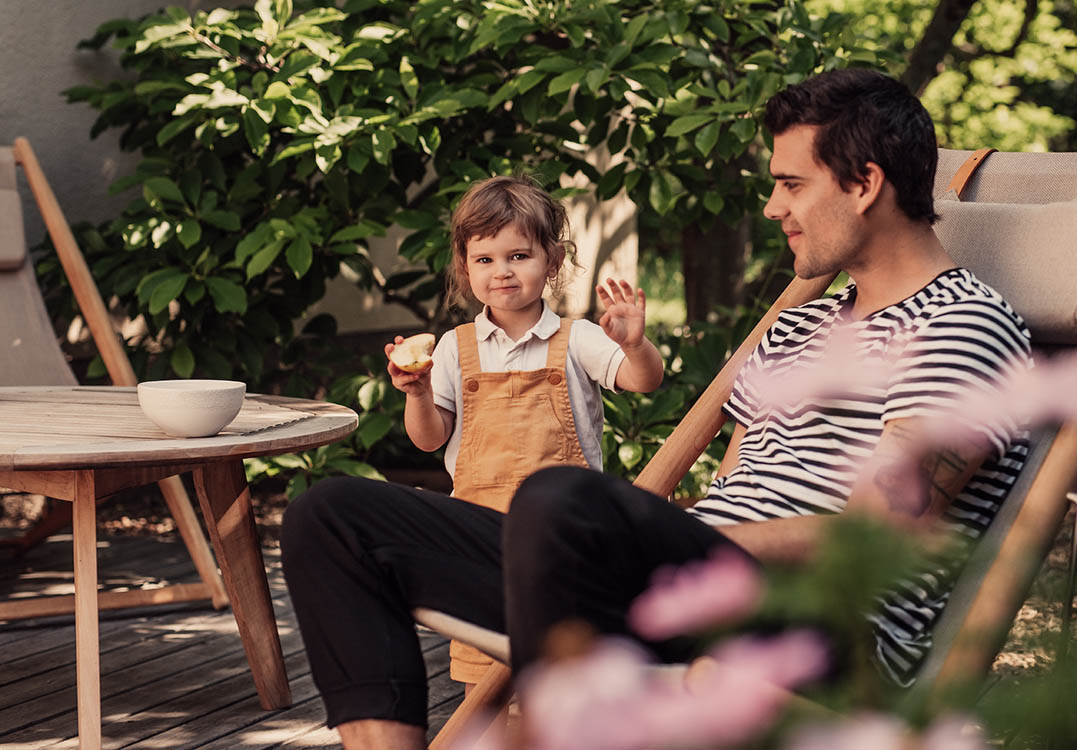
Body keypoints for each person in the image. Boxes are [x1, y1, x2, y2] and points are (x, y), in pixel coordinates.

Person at [281, 68, 1033, 749]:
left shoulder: (960, 323)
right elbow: (739, 481)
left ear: (865, 183)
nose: (772, 208)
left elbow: (880, 535)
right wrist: (658, 549)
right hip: (672, 590)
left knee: (561, 499)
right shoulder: (801, 323)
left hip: (818, 630)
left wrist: (664, 546)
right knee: (335, 516)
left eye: (791, 185)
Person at [383, 174, 665, 693]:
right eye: (485, 259)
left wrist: (634, 345)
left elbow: (644, 380)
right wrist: (417, 393)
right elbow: (428, 440)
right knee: (486, 678)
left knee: (569, 670)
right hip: (480, 537)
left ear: (552, 262)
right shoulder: (453, 347)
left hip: (567, 539)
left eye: (519, 256)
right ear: (466, 267)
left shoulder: (577, 339)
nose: (502, 272)